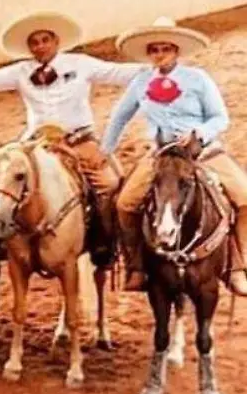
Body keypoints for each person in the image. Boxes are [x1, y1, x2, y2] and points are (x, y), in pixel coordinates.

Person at [0, 12, 147, 267]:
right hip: (38, 143)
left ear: (56, 42)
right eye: (34, 42)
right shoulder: (21, 71)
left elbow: (118, 73)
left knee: (109, 184)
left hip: (78, 140)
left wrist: (152, 67)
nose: (40, 46)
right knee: (2, 176)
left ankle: (103, 240)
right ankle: (2, 239)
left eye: (45, 40)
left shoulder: (80, 63)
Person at [101, 17, 247, 295]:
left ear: (176, 50)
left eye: (165, 49)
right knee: (125, 203)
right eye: (154, 50)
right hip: (162, 154)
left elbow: (220, 118)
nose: (159, 55)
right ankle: (137, 266)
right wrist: (105, 150)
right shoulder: (140, 82)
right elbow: (119, 117)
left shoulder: (198, 79)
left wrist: (198, 132)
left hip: (202, 152)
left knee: (244, 197)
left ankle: (238, 266)